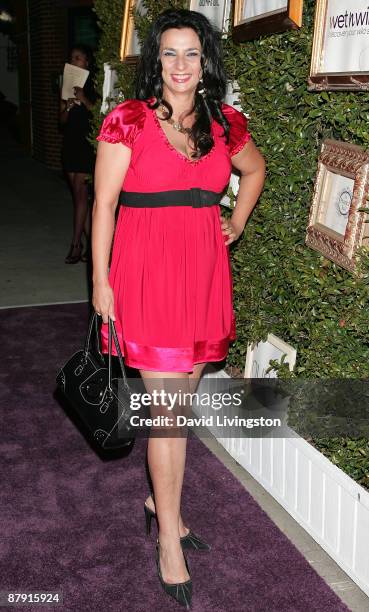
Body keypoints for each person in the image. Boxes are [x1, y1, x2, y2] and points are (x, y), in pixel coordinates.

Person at [92, 8, 265, 609]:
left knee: (178, 410)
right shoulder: (128, 122)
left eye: (192, 53)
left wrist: (235, 223)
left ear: (206, 60)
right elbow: (104, 205)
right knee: (167, 417)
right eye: (169, 53)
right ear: (154, 61)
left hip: (204, 278)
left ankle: (154, 501)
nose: (181, 65)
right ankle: (170, 538)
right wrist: (99, 279)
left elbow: (254, 169)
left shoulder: (225, 123)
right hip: (146, 277)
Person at [60, 44, 97, 264]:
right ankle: (93, 247)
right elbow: (61, 121)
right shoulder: (66, 85)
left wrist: (83, 99)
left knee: (81, 196)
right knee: (79, 199)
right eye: (72, 58)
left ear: (87, 62)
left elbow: (100, 114)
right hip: (71, 145)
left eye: (79, 58)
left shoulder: (94, 85)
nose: (74, 61)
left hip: (86, 145)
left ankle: (76, 244)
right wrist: (68, 107)